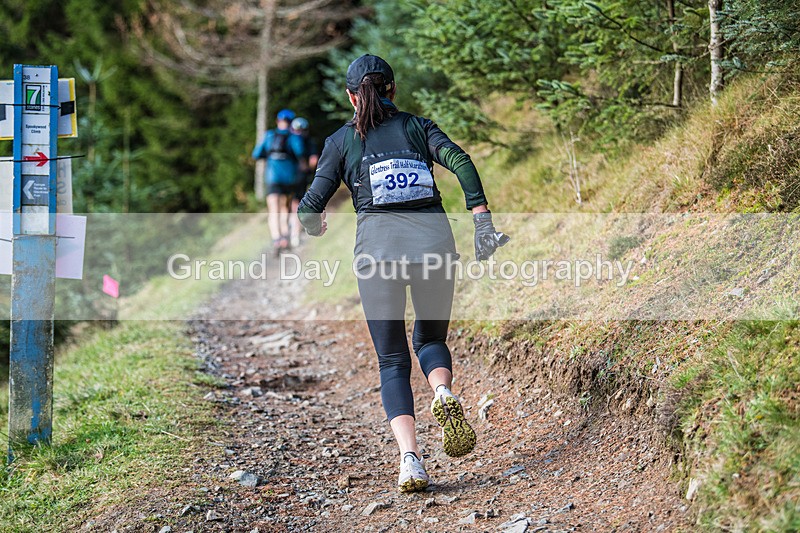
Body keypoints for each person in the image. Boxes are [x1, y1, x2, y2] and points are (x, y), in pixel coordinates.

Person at [297, 54, 509, 493]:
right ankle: (444, 395)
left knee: (392, 360)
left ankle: (410, 461)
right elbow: (461, 161)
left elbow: (310, 206)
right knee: (430, 340)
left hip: (378, 255)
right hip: (434, 246)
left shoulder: (341, 141)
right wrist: (481, 216)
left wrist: (311, 223)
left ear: (352, 97)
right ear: (392, 89)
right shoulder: (418, 127)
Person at [252, 109, 306, 254]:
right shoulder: (294, 137)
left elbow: (256, 154)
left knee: (273, 209)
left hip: (272, 178)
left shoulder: (269, 136)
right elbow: (300, 152)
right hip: (290, 179)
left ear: (277, 121)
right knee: (285, 209)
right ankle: (285, 237)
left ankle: (277, 238)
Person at [288, 117, 319, 248]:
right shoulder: (309, 142)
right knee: (298, 202)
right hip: (300, 177)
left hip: (285, 177)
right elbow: (313, 161)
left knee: (287, 204)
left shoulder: (288, 140)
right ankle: (295, 233)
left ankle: (287, 232)